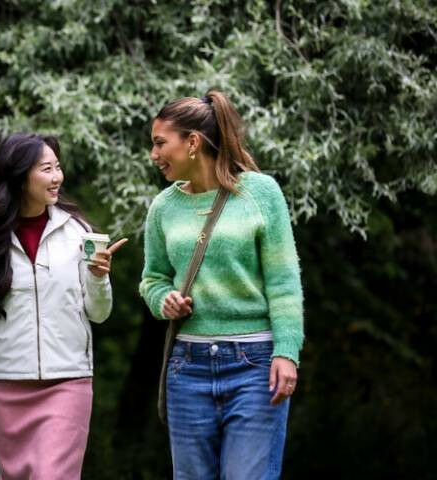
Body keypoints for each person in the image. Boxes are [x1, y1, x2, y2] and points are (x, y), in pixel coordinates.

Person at [0, 133, 126, 479]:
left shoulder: (77, 231)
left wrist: (97, 277)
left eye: (58, 168)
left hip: (68, 380)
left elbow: (99, 312)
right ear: (20, 176)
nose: (57, 177)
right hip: (8, 381)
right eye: (46, 169)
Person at [139, 91, 304, 479]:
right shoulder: (164, 206)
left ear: (193, 142)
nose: (154, 154)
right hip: (188, 367)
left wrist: (287, 351)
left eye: (161, 143)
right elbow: (152, 280)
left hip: (254, 365)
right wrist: (165, 300)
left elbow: (283, 281)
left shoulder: (261, 194)